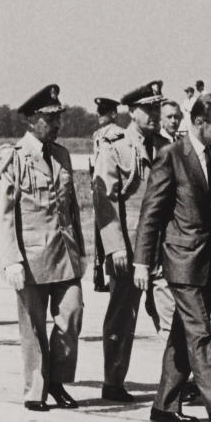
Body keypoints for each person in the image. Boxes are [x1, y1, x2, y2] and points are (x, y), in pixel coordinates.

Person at [133, 92, 211, 422]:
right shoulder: (171, 156)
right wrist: (142, 261)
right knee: (201, 332)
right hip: (182, 259)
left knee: (183, 334)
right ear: (199, 123)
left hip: (210, 258)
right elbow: (151, 213)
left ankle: (164, 405)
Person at [0, 83, 87, 411]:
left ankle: (58, 381)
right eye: (51, 118)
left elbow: (71, 209)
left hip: (64, 255)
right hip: (31, 257)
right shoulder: (13, 157)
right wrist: (10, 261)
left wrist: (82, 252)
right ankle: (36, 390)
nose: (58, 124)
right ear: (33, 121)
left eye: (59, 117)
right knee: (33, 328)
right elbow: (1, 215)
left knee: (71, 315)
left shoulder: (62, 155)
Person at [92, 79, 163, 403]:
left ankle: (179, 380)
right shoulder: (116, 145)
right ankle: (114, 380)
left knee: (172, 312)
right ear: (133, 112)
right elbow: (103, 199)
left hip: (162, 246)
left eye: (157, 108)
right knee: (123, 314)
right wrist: (115, 246)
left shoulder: (165, 147)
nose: (155, 114)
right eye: (148, 109)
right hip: (129, 247)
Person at [91, 96, 120, 292]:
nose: (99, 115)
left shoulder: (118, 134)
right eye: (98, 112)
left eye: (103, 112)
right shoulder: (98, 135)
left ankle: (111, 276)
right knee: (98, 236)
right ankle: (99, 274)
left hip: (110, 192)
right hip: (98, 189)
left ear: (113, 114)